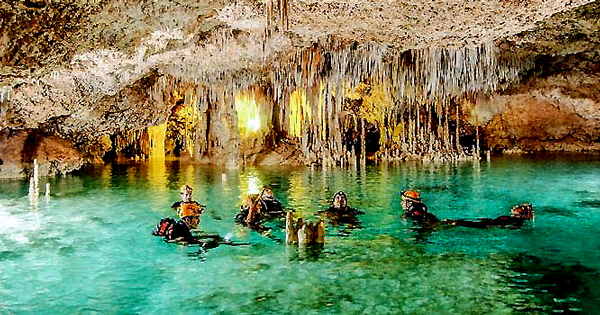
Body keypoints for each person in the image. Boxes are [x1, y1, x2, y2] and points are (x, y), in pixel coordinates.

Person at [442, 203, 535, 229]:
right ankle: (450, 222)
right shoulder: (518, 221)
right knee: (463, 223)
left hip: (490, 223)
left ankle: (448, 222)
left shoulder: (514, 219)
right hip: (490, 223)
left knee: (462, 222)